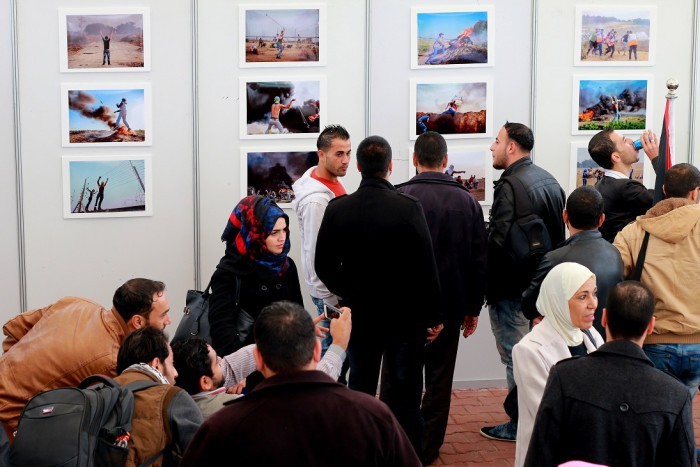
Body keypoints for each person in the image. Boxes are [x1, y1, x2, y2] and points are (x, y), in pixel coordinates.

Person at [315, 135, 443, 456]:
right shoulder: (408, 207)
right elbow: (426, 266)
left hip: (360, 316)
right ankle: (408, 457)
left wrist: (347, 292)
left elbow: (322, 265)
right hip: (405, 318)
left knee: (359, 389)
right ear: (390, 167)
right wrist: (433, 316)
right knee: (406, 398)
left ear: (358, 167)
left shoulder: (338, 209)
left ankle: (361, 456)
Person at [180, 301, 422, 466]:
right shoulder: (373, 415)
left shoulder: (221, 427)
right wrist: (338, 346)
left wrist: (278, 341)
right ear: (316, 350)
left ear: (259, 359)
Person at [524, 281, 695, 467]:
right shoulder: (675, 394)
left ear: (604, 318)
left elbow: (540, 455)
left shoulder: (565, 376)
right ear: (650, 325)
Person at [396, 131, 487, 464]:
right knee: (439, 380)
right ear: (446, 160)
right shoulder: (467, 202)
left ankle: (404, 444)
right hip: (450, 306)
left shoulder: (400, 196)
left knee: (404, 379)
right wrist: (473, 308)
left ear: (415, 159)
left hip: (405, 309)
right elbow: (479, 260)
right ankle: (428, 448)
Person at [0, 278, 172, 445]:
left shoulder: (75, 303)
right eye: (163, 315)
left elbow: (14, 329)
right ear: (138, 321)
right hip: (12, 423)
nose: (169, 320)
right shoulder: (111, 361)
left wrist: (12, 367)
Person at [481, 122, 565, 442]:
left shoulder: (509, 185)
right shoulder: (550, 180)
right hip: (541, 287)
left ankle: (520, 424)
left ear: (512, 147)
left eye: (497, 141)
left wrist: (486, 286)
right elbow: (557, 237)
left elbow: (498, 241)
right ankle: (539, 419)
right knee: (536, 356)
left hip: (511, 289)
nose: (492, 147)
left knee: (515, 357)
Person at [173, 304, 351, 418]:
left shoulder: (182, 403)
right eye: (217, 363)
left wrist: (293, 334)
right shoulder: (236, 409)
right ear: (205, 382)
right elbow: (309, 389)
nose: (223, 361)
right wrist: (339, 344)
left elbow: (234, 365)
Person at [614, 163, 700, 394]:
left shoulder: (634, 231)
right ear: (695, 193)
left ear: (663, 189)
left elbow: (615, 273)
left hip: (654, 338)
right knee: (684, 406)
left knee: (653, 408)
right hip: (698, 339)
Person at [513, 263, 604, 467]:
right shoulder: (529, 350)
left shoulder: (590, 334)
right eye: (582, 297)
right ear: (559, 301)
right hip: (551, 454)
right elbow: (547, 415)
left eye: (594, 293)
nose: (593, 304)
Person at [208, 195, 303, 361]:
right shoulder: (229, 272)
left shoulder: (286, 266)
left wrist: (304, 330)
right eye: (274, 232)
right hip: (248, 365)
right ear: (254, 233)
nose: (282, 238)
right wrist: (242, 368)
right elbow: (222, 331)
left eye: (284, 230)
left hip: (285, 361)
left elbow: (297, 312)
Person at [522, 186, 624, 336]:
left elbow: (529, 307)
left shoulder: (555, 259)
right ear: (602, 219)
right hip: (606, 341)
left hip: (566, 343)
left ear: (565, 216)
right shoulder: (615, 254)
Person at [291, 125, 351, 355]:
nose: (345, 160)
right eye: (339, 154)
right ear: (321, 154)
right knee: (332, 357)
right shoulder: (315, 201)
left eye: (348, 153)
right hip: (330, 295)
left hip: (337, 290)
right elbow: (315, 254)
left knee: (340, 354)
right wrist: (330, 301)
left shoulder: (331, 182)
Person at [115, 327, 202, 466]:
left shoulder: (97, 390)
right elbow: (204, 455)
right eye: (172, 363)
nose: (175, 373)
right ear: (156, 364)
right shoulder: (173, 397)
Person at [587, 128, 659, 242]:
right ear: (616, 157)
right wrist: (656, 159)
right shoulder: (627, 188)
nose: (631, 140)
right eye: (625, 140)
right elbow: (671, 197)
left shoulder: (600, 185)